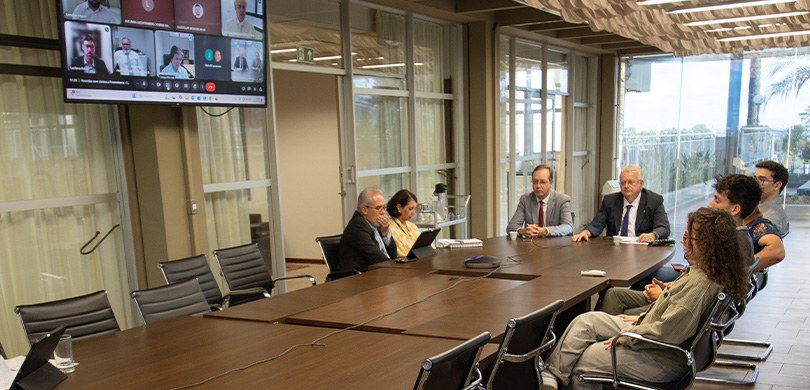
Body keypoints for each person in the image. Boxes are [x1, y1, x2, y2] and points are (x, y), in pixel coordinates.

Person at [540, 208, 750, 390]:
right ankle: (552, 375)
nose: (682, 240)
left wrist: (626, 336)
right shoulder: (706, 272)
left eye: (687, 237)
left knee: (583, 362)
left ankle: (554, 375)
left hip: (659, 357)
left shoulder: (700, 284)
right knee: (587, 321)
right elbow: (672, 319)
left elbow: (667, 332)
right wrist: (641, 318)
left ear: (706, 245)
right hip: (653, 338)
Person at [601, 174, 783, 315]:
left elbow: (699, 295)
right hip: (680, 298)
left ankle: (605, 345)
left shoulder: (728, 247)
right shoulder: (734, 238)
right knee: (614, 294)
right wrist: (668, 288)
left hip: (679, 311)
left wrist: (665, 294)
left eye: (717, 200)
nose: (710, 204)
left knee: (611, 306)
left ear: (735, 209)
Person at [572, 165, 670, 242]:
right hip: (615, 248)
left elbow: (663, 227)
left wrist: (653, 235)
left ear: (641, 184)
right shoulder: (610, 201)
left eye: (630, 182)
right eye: (623, 183)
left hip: (642, 249)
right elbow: (596, 224)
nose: (626, 186)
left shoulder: (654, 201)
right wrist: (586, 232)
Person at [336, 187, 397, 273]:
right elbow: (377, 258)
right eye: (378, 208)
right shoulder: (357, 228)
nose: (383, 212)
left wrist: (385, 234)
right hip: (356, 276)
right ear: (364, 210)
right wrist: (396, 267)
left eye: (384, 208)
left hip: (376, 272)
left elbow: (393, 255)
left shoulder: (375, 224)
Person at [506, 165, 574, 237]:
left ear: (551, 182)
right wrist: (523, 231)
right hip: (532, 243)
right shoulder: (525, 200)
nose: (538, 186)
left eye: (542, 182)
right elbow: (511, 226)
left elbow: (568, 226)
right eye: (535, 182)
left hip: (555, 243)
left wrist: (545, 231)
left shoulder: (562, 200)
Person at [755, 160, 789, 236]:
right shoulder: (757, 207)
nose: (755, 183)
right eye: (755, 178)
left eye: (762, 180)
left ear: (777, 185)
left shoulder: (772, 218)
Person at [386, 190, 421, 258]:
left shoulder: (412, 226)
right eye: (410, 209)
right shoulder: (390, 227)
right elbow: (401, 254)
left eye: (414, 209)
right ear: (399, 207)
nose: (413, 213)